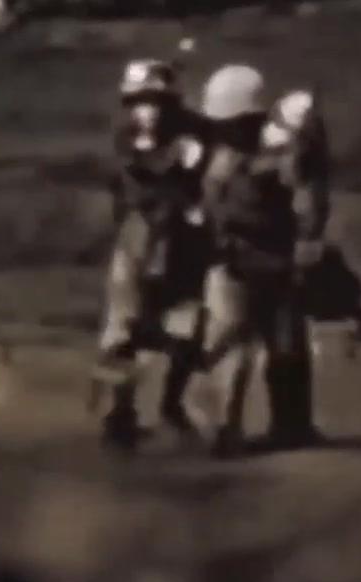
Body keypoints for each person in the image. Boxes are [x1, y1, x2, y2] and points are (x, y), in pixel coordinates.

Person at [196, 63, 333, 455]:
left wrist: (307, 240)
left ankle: (284, 426)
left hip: (268, 257)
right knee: (242, 345)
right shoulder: (250, 152)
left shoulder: (277, 151)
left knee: (281, 345)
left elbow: (306, 195)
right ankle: (230, 429)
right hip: (243, 258)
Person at [92, 57, 216, 450]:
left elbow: (208, 171)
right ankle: (120, 414)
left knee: (187, 326)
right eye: (141, 101)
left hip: (182, 241)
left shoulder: (192, 132)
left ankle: (171, 404)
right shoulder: (126, 138)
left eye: (158, 101)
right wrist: (179, 161)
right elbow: (138, 178)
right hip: (140, 236)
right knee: (123, 328)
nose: (150, 109)